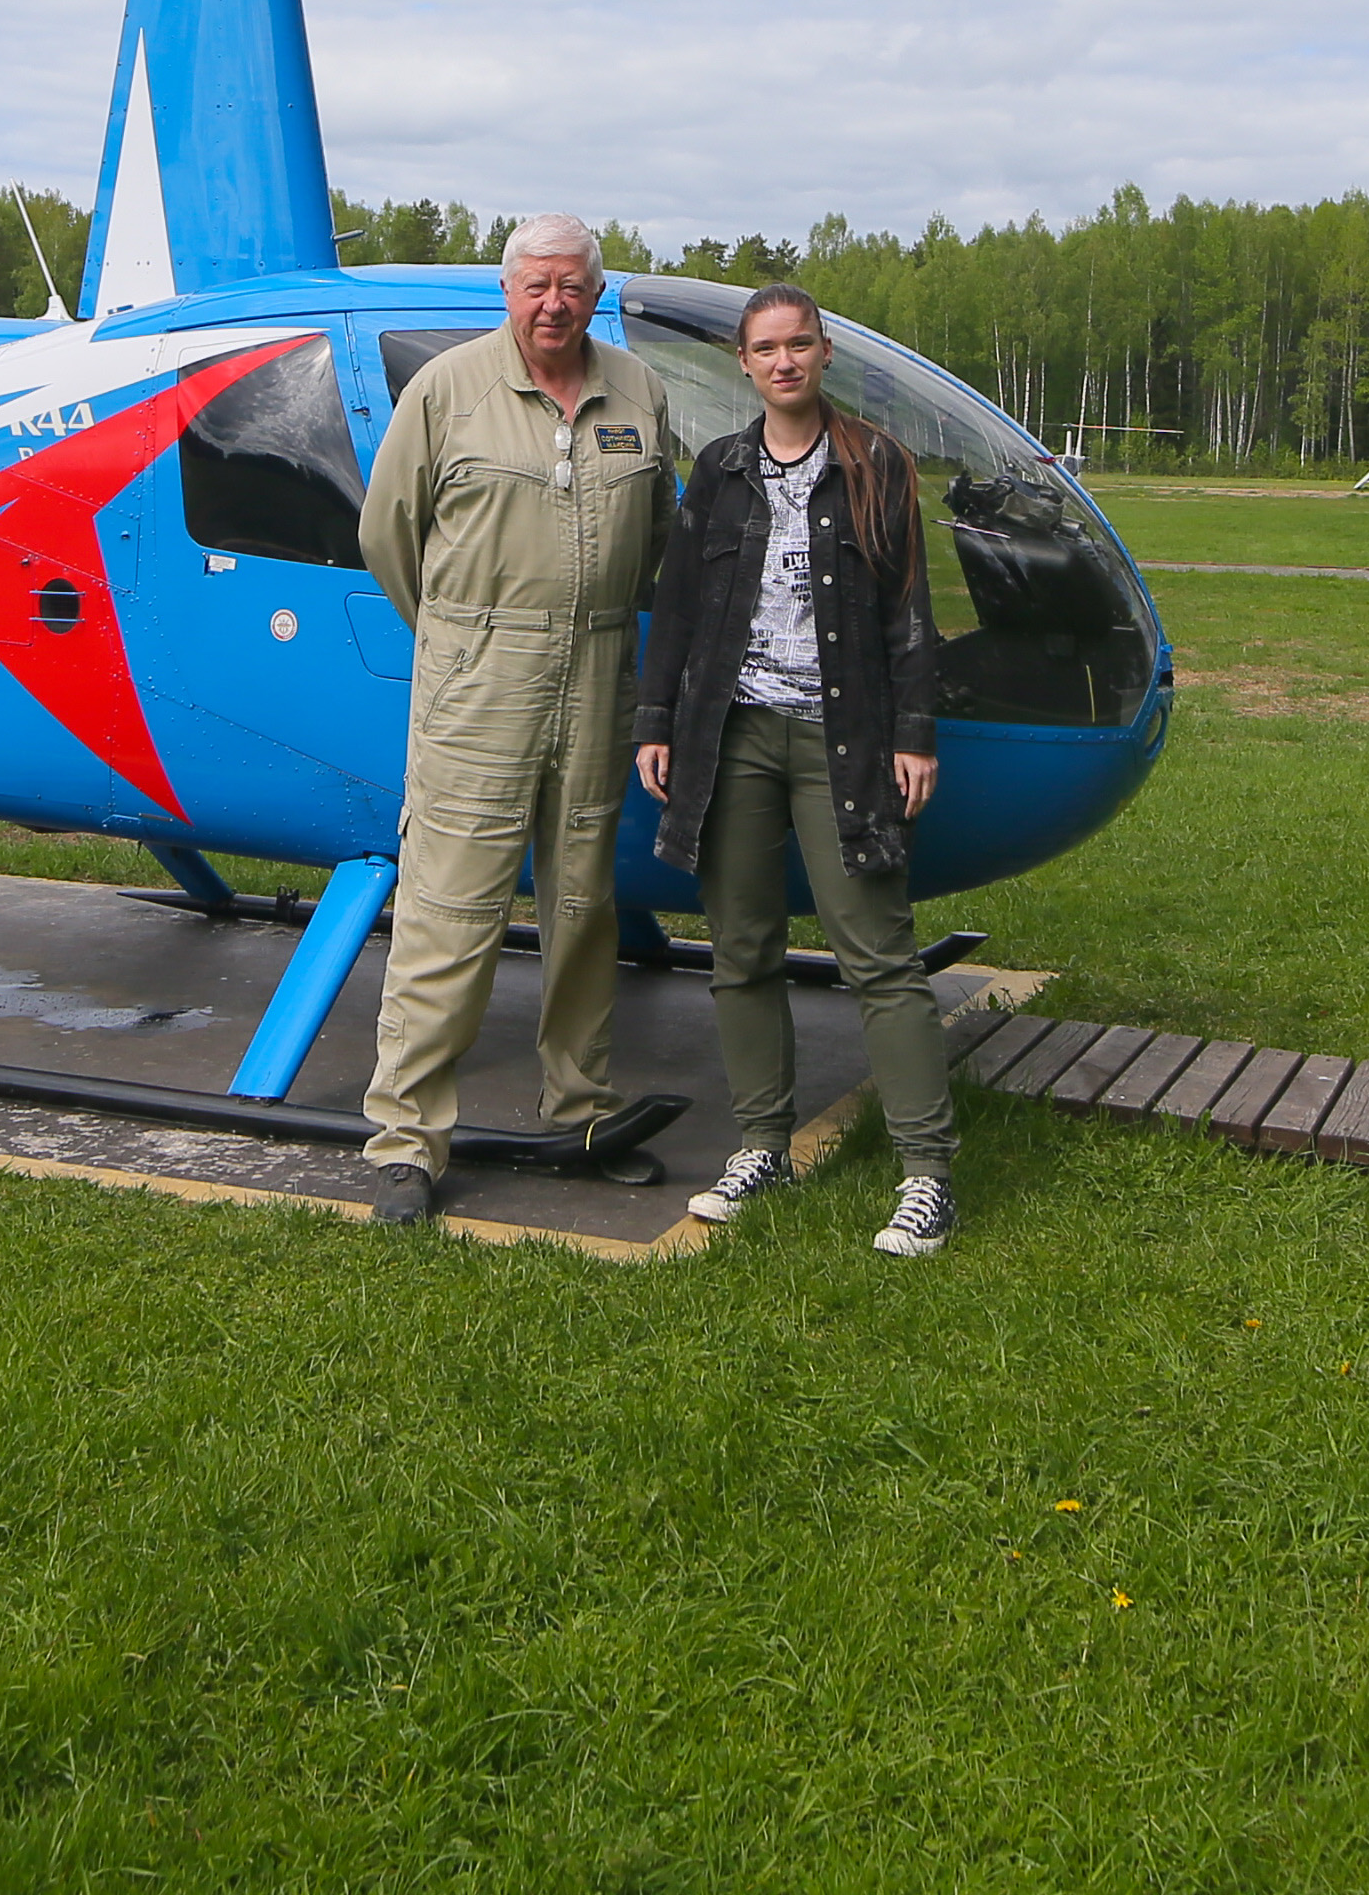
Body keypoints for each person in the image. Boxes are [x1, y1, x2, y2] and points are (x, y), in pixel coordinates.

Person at [350, 217, 679, 1225]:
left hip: (597, 678)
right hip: (480, 682)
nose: (553, 304)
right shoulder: (448, 390)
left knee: (582, 908)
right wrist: (468, 637)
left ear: (595, 291)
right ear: (508, 292)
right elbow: (385, 534)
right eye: (535, 286)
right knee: (450, 912)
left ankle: (580, 1107)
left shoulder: (639, 391)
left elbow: (657, 534)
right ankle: (406, 1141)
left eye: (571, 287)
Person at [634, 284, 957, 1258]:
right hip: (731, 735)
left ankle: (927, 1173)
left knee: (880, 956)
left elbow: (909, 609)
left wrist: (915, 733)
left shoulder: (873, 465)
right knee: (740, 949)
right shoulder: (720, 470)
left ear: (824, 355)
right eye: (766, 348)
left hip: (842, 740)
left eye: (800, 345)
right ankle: (763, 1146)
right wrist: (657, 723)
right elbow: (680, 608)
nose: (784, 361)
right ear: (745, 363)